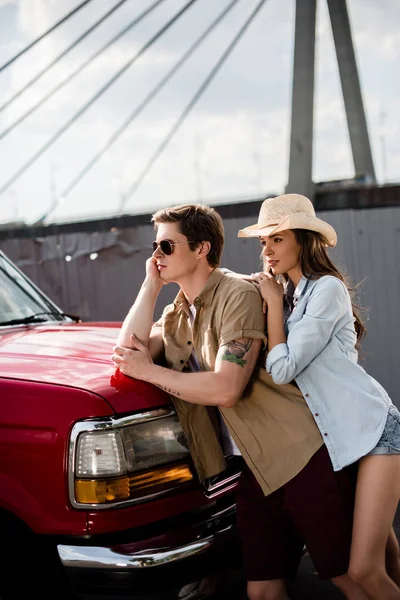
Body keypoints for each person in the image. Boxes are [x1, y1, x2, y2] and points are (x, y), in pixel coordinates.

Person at [112, 203, 368, 600]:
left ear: (202, 248)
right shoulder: (177, 313)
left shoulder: (238, 294)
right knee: (263, 588)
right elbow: (127, 352)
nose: (155, 255)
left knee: (350, 578)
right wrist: (150, 284)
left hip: (302, 456)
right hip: (254, 468)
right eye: (154, 246)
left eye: (165, 246)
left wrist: (150, 371)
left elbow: (226, 388)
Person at [236, 193, 400, 600]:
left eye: (277, 239)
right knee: (389, 560)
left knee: (362, 569)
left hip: (374, 432)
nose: (267, 250)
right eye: (263, 242)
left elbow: (283, 368)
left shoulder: (326, 289)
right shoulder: (290, 299)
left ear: (304, 240)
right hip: (339, 443)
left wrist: (272, 303)